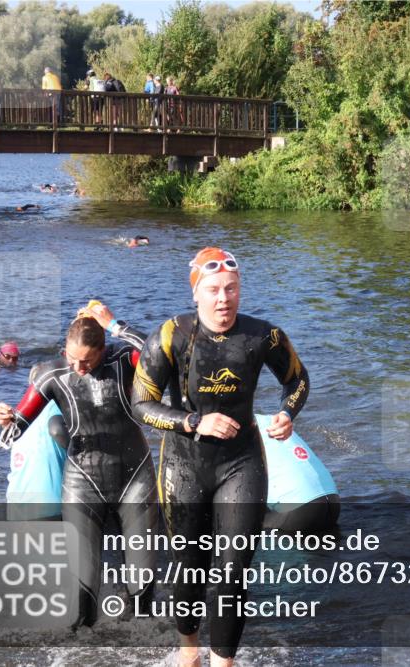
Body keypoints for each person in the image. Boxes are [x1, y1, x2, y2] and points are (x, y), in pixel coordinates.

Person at [131, 247, 310, 666]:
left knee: (233, 571)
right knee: (189, 570)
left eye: (231, 289)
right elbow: (141, 404)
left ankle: (223, 662)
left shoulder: (263, 335)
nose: (223, 299)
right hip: (183, 464)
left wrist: (287, 413)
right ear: (196, 293)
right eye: (213, 290)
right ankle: (189, 652)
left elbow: (297, 379)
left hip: (241, 462)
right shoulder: (171, 335)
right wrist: (194, 421)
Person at [0, 303, 159, 627]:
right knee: (82, 604)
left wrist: (115, 325)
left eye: (87, 360)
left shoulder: (123, 360)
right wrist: (5, 419)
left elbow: (159, 352)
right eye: (72, 358)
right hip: (82, 483)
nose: (79, 366)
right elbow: (13, 432)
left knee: (143, 598)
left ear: (103, 350)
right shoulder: (51, 374)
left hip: (135, 478)